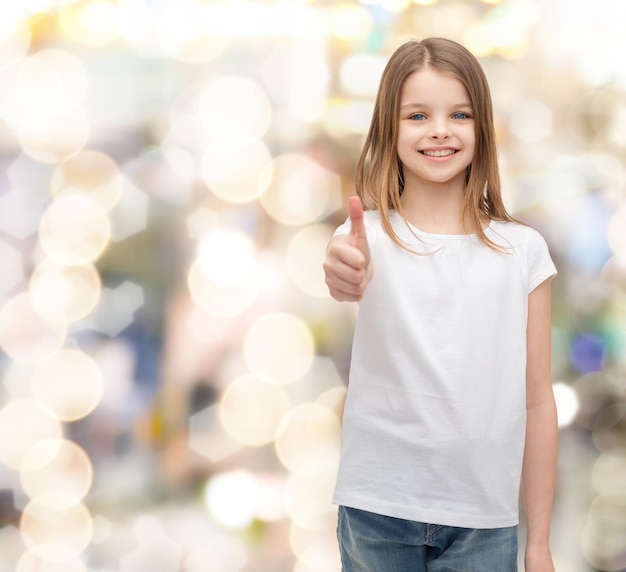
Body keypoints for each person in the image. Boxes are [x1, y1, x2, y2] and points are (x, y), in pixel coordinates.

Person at [323, 37, 558, 571]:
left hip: (485, 522)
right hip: (377, 511)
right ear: (390, 127)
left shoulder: (523, 251)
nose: (439, 130)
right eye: (417, 115)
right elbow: (343, 276)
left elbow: (539, 402)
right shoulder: (365, 239)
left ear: (482, 128)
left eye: (459, 113)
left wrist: (539, 542)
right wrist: (344, 270)